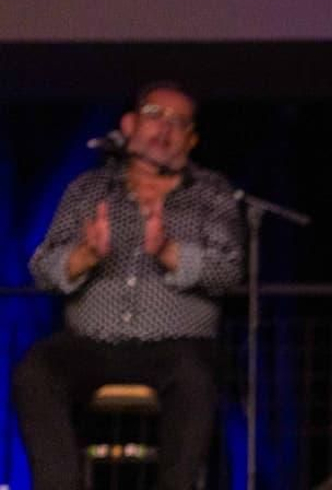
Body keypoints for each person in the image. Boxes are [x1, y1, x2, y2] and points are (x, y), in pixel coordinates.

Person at [12, 81, 243, 490]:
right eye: (155, 115)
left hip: (176, 345)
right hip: (92, 342)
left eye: (178, 122)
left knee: (195, 379)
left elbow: (228, 271)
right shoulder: (88, 190)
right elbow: (42, 267)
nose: (164, 129)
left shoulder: (212, 194)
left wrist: (169, 251)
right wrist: (84, 255)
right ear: (129, 125)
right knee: (36, 370)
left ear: (191, 140)